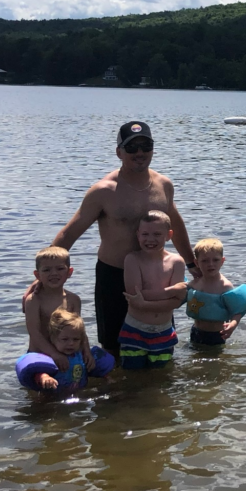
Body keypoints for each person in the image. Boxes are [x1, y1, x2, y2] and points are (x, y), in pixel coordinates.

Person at [49, 121, 198, 354]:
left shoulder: (164, 185)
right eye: (131, 148)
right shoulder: (104, 191)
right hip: (114, 278)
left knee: (158, 344)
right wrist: (45, 276)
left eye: (145, 146)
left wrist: (192, 264)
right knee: (114, 348)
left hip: (156, 277)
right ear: (119, 152)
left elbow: (176, 227)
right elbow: (69, 234)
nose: (139, 153)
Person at [119, 210, 187, 370]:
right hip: (135, 329)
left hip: (163, 330)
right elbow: (135, 296)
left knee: (161, 375)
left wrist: (144, 303)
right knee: (132, 374)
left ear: (169, 235)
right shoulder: (133, 259)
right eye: (145, 234)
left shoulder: (176, 262)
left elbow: (176, 303)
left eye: (157, 234)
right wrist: (172, 290)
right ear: (138, 235)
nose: (150, 239)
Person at [23, 246, 92, 372]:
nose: (54, 273)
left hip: (68, 351)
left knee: (103, 364)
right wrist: (54, 354)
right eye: (47, 270)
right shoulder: (34, 301)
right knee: (44, 381)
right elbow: (34, 333)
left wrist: (86, 352)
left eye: (60, 268)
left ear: (69, 272)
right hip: (41, 354)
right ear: (37, 275)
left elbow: (79, 330)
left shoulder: (73, 300)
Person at [184, 237, 246, 346]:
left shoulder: (224, 286)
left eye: (215, 260)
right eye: (205, 261)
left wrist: (232, 324)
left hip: (216, 334)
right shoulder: (195, 283)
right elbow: (181, 295)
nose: (210, 264)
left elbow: (237, 310)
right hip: (195, 330)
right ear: (196, 262)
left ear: (222, 261)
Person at [31, 310, 105, 391]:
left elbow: (93, 370)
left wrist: (107, 377)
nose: (71, 343)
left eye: (76, 339)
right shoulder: (51, 357)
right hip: (54, 396)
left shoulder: (81, 356)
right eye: (65, 339)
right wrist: (45, 377)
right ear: (53, 339)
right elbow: (38, 372)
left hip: (79, 392)